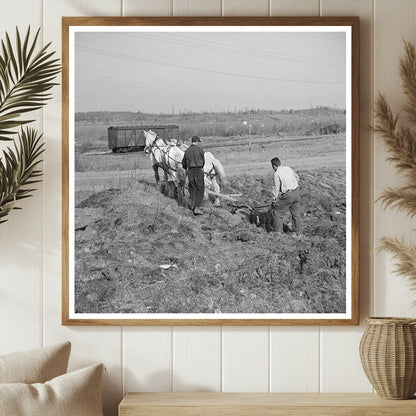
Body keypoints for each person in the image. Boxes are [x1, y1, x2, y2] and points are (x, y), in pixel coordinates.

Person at [270, 157, 302, 234]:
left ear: (274, 165)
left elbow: (276, 189)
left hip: (288, 195)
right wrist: (292, 185)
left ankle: (278, 233)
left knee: (277, 213)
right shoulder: (288, 168)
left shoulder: (276, 173)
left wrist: (274, 199)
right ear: (280, 163)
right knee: (296, 214)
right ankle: (298, 233)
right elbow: (297, 177)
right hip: (296, 192)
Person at [182, 135, 205, 215]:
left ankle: (192, 205)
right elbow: (203, 162)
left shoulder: (187, 151)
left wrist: (186, 168)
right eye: (198, 142)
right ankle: (197, 207)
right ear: (197, 141)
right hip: (198, 171)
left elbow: (183, 164)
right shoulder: (200, 150)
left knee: (192, 189)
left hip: (190, 172)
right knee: (200, 190)